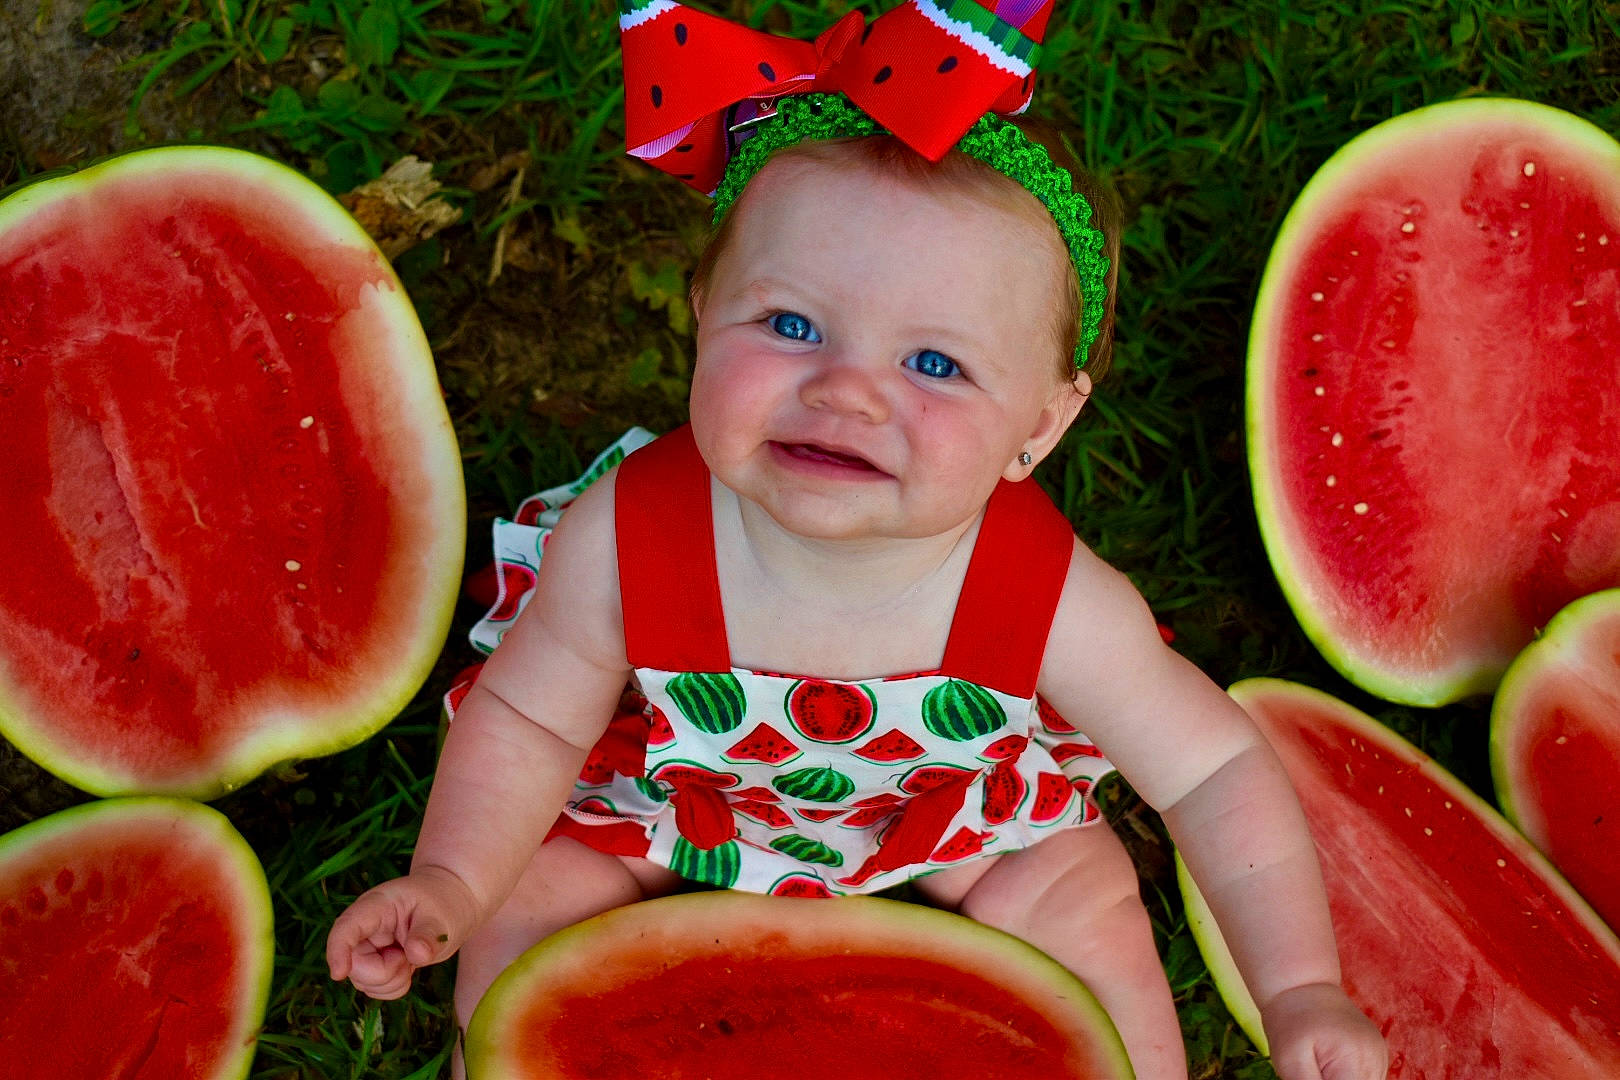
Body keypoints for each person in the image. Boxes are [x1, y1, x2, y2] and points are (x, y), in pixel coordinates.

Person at [327, 4, 1388, 1078]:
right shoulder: (625, 541)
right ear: (703, 311)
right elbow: (525, 720)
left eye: (934, 364)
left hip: (951, 811)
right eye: (790, 326)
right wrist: (453, 882)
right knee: (534, 904)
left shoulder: (1047, 598)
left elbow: (1211, 775)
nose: (846, 392)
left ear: (1041, 426)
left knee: (1080, 900)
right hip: (669, 796)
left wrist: (1299, 987)